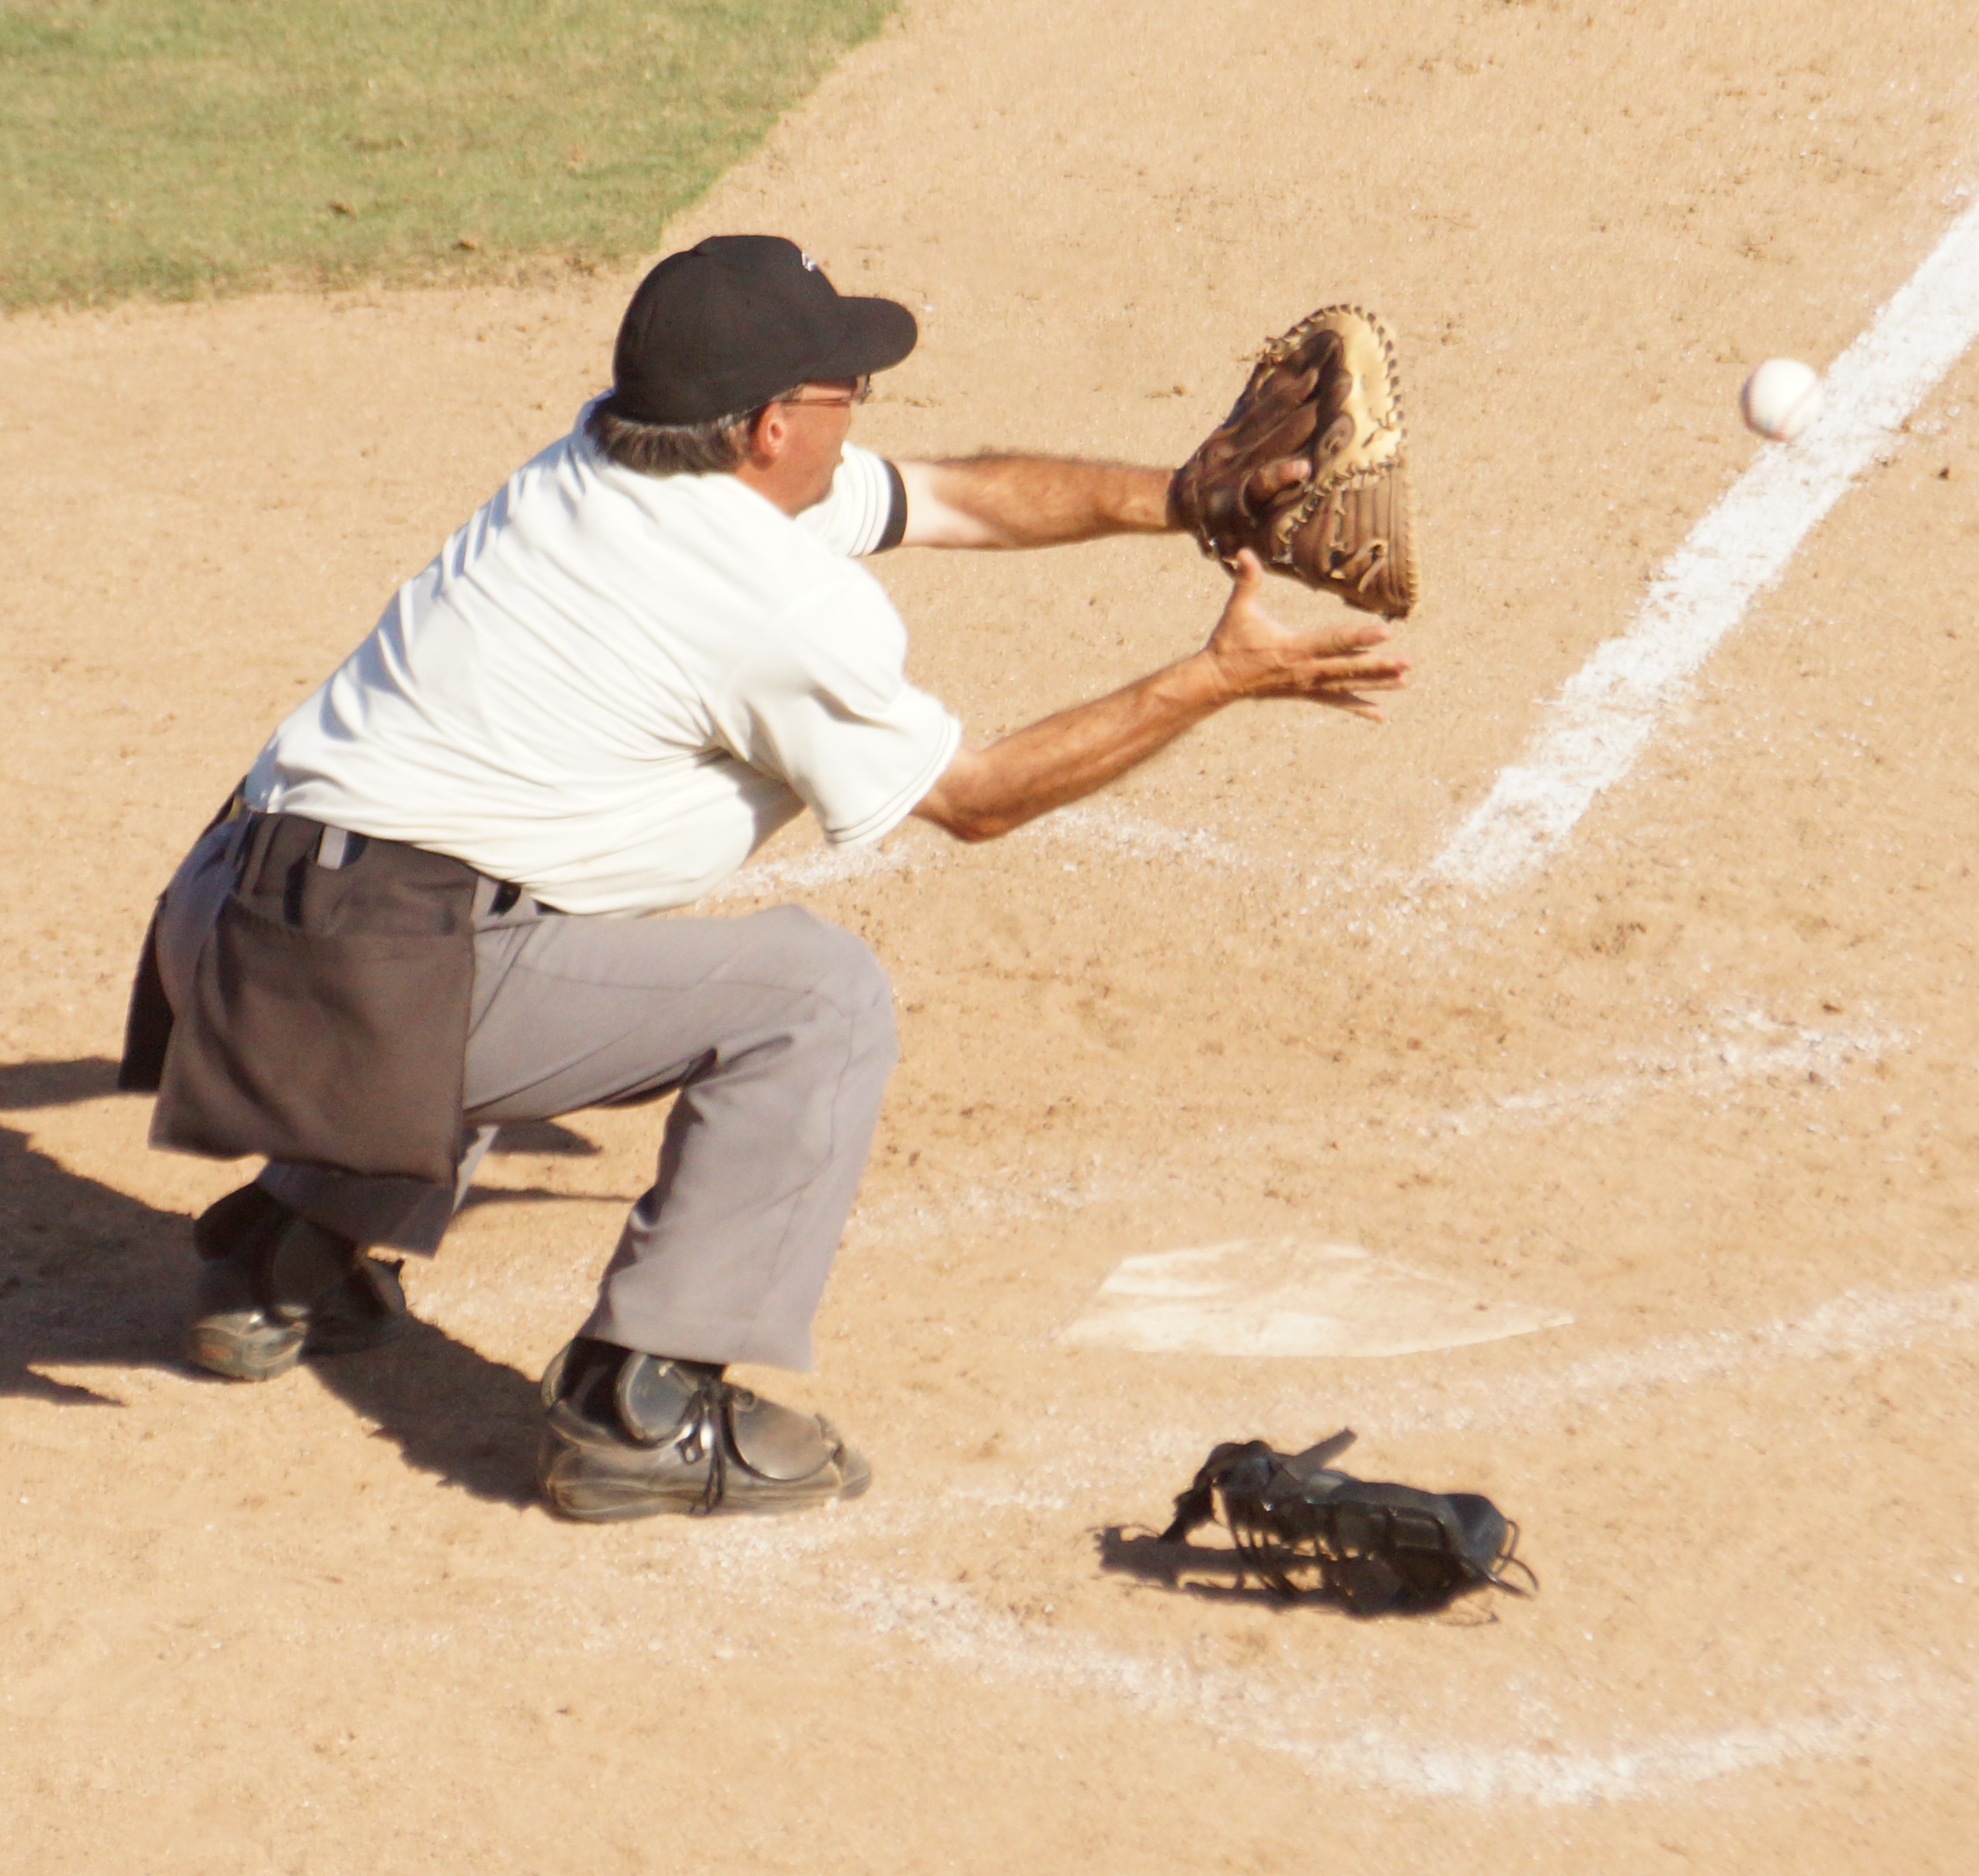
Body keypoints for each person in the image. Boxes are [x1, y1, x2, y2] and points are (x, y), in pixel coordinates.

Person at [119, 235, 1409, 1523]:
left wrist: (1185, 498)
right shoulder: (769, 602)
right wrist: (1216, 678)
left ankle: (288, 1253)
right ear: (772, 427)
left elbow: (948, 499)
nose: (864, 411)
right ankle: (642, 1407)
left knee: (533, 888)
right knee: (813, 996)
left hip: (226, 927)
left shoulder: (602, 456)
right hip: (368, 978)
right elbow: (979, 798)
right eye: (850, 390)